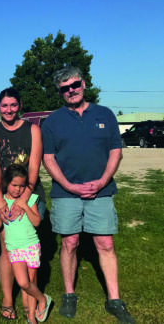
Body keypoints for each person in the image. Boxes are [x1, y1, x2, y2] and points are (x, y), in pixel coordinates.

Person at [42, 66, 134, 323]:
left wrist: (103, 181)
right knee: (69, 243)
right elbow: (48, 159)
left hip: (101, 191)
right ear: (60, 92)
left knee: (105, 244)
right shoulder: (52, 122)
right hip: (65, 193)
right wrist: (69, 186)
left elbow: (116, 150)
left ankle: (114, 299)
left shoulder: (104, 114)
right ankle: (69, 294)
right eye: (64, 89)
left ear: (83, 84)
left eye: (74, 85)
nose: (70, 91)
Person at [0, 88, 45, 320]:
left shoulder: (33, 130)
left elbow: (33, 169)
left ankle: (31, 301)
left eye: (13, 105)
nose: (8, 110)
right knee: (7, 248)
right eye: (4, 105)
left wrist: (22, 201)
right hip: (3, 195)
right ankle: (8, 299)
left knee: (29, 248)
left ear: (19, 106)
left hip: (28, 193)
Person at [0, 163, 51, 324]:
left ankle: (31, 318)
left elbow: (37, 222)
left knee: (31, 281)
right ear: (6, 183)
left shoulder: (30, 199)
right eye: (14, 185)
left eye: (22, 186)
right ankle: (42, 299)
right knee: (23, 283)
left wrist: (25, 205)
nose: (18, 189)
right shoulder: (2, 202)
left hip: (31, 246)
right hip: (14, 248)